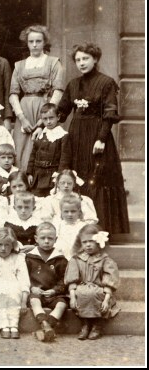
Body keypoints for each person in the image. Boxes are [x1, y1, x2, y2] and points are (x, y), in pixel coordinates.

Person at [58, 42, 130, 234]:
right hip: (77, 137)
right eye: (78, 60)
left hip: (97, 137)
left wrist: (101, 139)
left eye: (85, 59)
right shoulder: (73, 84)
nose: (81, 63)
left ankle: (102, 229)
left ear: (95, 59)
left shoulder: (106, 82)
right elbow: (62, 111)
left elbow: (109, 113)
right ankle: (78, 229)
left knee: (97, 179)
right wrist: (44, 124)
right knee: (79, 177)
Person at [9, 25, 65, 171]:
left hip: (45, 109)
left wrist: (44, 119)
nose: (34, 45)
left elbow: (58, 91)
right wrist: (21, 118)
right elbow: (13, 93)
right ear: (26, 43)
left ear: (44, 42)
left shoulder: (54, 63)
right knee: (21, 148)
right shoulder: (19, 66)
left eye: (38, 41)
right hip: (24, 110)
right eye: (31, 41)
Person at [65, 224, 120, 340]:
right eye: (84, 242)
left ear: (99, 242)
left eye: (91, 241)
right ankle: (85, 324)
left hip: (100, 289)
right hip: (81, 288)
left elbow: (109, 280)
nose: (88, 245)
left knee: (95, 294)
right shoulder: (76, 259)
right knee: (81, 293)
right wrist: (73, 297)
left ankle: (97, 325)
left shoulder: (105, 260)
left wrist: (106, 299)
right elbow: (72, 279)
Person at [0, 227, 30, 339]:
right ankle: (4, 325)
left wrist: (24, 301)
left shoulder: (18, 258)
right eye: (0, 245)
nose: (3, 248)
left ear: (13, 245)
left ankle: (13, 326)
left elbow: (24, 280)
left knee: (14, 292)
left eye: (7, 245)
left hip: (15, 287)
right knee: (0, 293)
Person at [24, 222, 68, 342]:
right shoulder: (29, 257)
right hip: (36, 292)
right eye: (43, 238)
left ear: (56, 239)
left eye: (50, 238)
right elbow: (24, 276)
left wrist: (55, 290)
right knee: (34, 301)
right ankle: (44, 323)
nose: (47, 241)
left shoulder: (60, 259)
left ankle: (48, 326)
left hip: (54, 294)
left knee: (62, 305)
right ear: (36, 239)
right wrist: (32, 288)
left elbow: (64, 279)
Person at [26, 103, 68, 197]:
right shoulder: (41, 134)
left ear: (58, 117)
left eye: (51, 118)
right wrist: (29, 173)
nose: (48, 121)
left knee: (51, 200)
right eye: (45, 119)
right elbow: (33, 154)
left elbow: (64, 159)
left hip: (52, 176)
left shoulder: (63, 135)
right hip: (38, 175)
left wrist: (59, 176)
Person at [54, 194, 89, 260]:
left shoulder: (83, 226)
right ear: (61, 212)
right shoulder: (58, 226)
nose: (69, 214)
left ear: (79, 211)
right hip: (61, 258)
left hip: (79, 259)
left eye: (73, 211)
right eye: (66, 211)